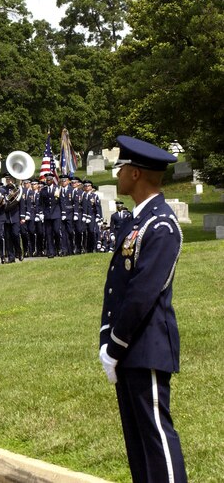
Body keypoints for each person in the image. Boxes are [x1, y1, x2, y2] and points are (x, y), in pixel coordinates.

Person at [98, 135, 187, 482]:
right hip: (129, 347)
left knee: (156, 435)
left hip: (145, 346)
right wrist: (109, 342)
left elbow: (142, 294)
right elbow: (118, 288)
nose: (117, 175)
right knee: (137, 440)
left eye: (121, 168)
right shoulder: (136, 220)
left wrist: (115, 345)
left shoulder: (160, 225)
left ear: (134, 174)